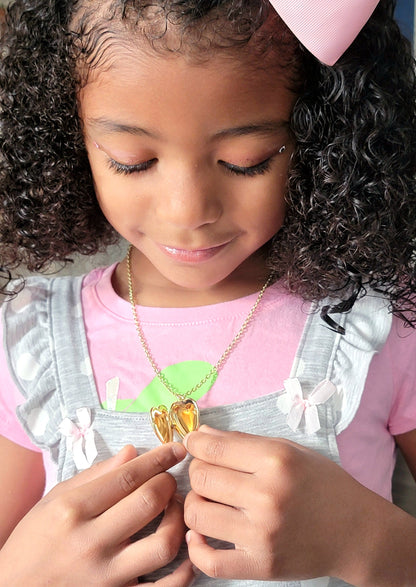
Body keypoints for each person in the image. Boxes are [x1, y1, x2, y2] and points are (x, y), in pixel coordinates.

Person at [0, 0, 415, 585]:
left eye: (244, 162)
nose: (188, 211)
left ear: (324, 134)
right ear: (70, 139)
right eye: (132, 162)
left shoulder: (382, 320)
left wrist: (365, 540)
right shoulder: (30, 340)